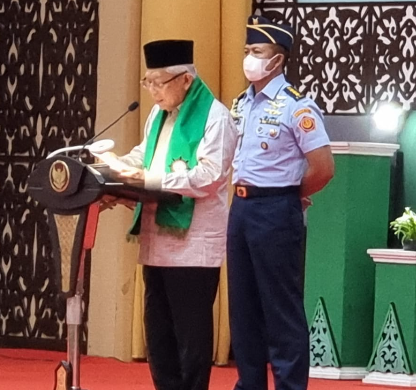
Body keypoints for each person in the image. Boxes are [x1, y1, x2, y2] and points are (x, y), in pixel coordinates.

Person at [100, 39, 237, 390]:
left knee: (189, 336)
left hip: (193, 247)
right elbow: (143, 157)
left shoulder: (215, 117)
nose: (153, 92)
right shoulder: (158, 115)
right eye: (148, 83)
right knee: (158, 334)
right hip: (156, 240)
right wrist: (111, 168)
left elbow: (208, 176)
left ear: (186, 80)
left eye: (159, 82)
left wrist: (149, 178)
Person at [227, 16, 335, 390]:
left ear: (277, 59)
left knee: (281, 311)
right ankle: (250, 383)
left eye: (257, 52)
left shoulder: (296, 108)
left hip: (276, 210)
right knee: (243, 309)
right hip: (240, 209)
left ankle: (290, 385)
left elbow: (323, 167)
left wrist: (291, 193)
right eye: (246, 51)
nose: (249, 59)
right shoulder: (240, 104)